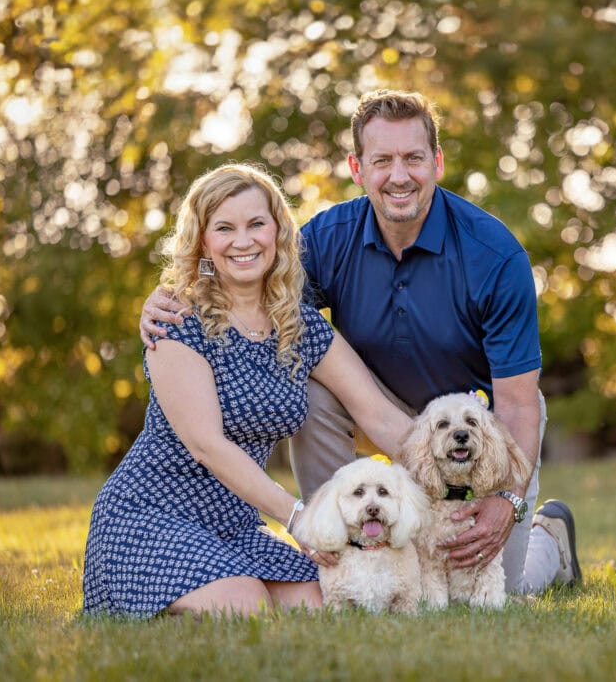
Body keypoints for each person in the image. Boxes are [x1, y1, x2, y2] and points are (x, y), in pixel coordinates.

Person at [141, 90, 581, 595]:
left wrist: (508, 498)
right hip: (374, 409)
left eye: (414, 158)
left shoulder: (495, 255)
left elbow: (520, 406)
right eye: (382, 161)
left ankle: (551, 541)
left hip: (476, 424)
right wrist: (172, 293)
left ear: (436, 162)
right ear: (357, 167)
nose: (399, 176)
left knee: (496, 583)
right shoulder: (327, 239)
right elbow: (248, 277)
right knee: (314, 387)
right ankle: (340, 545)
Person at [84, 163, 412, 618]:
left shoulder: (301, 326)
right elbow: (208, 446)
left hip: (235, 523)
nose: (243, 241)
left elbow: (378, 416)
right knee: (245, 607)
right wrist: (299, 519)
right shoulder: (177, 320)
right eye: (224, 228)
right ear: (202, 241)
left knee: (325, 604)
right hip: (150, 516)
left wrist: (453, 485)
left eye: (256, 224)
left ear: (278, 233)